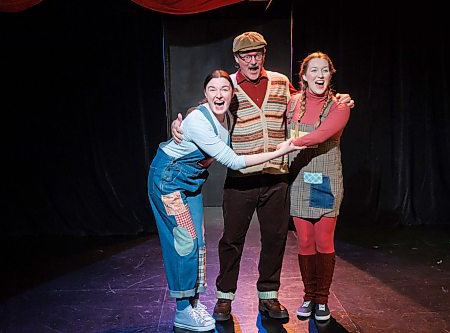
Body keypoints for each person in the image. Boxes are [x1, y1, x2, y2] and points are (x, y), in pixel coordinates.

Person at [171, 32, 354, 322]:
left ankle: (268, 296)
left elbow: (308, 98)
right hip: (241, 178)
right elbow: (206, 107)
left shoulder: (281, 82)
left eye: (257, 54)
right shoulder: (228, 86)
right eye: (246, 56)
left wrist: (339, 96)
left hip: (276, 177)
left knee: (275, 239)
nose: (252, 60)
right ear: (236, 59)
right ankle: (224, 297)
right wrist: (182, 120)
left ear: (264, 55)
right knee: (231, 240)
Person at [148, 69, 302, 332]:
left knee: (198, 242)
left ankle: (192, 304)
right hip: (169, 182)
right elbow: (233, 161)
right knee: (185, 243)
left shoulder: (227, 117)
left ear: (233, 93)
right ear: (205, 94)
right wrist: (281, 151)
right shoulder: (198, 120)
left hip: (191, 182)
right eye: (212, 90)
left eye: (224, 89)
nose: (219, 95)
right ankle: (182, 311)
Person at [285, 51, 350, 322]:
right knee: (305, 242)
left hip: (322, 180)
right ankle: (309, 296)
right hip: (300, 177)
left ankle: (322, 299)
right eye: (314, 70)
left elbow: (322, 134)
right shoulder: (292, 104)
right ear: (303, 76)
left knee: (323, 241)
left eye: (325, 70)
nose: (319, 75)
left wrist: (291, 144)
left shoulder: (340, 106)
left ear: (330, 74)